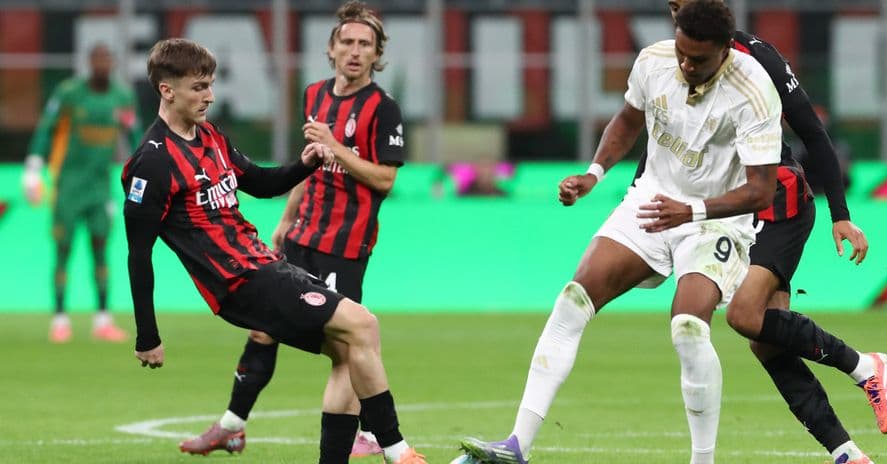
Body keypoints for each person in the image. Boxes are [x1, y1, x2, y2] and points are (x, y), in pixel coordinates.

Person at [461, 2, 782, 463]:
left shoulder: (752, 90)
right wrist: (594, 175)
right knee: (574, 298)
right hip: (653, 200)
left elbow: (761, 191)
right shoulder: (654, 61)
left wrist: (688, 211)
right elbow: (629, 120)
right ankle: (517, 445)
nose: (687, 65)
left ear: (724, 52)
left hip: (715, 219)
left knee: (688, 328)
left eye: (699, 60)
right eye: (682, 54)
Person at [123, 37, 427, 464]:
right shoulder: (152, 163)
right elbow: (139, 254)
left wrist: (305, 165)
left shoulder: (209, 136)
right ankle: (397, 452)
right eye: (197, 87)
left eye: (210, 85)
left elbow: (261, 183)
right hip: (239, 280)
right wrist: (147, 335)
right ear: (166, 90)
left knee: (351, 353)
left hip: (265, 264)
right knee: (362, 325)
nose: (208, 95)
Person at [662, 2, 887, 463]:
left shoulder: (756, 57)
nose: (674, 10)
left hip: (778, 201)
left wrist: (841, 214)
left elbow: (813, 132)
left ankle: (865, 366)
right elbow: (663, 134)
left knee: (743, 316)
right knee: (766, 342)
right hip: (730, 209)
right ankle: (846, 453)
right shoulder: (675, 61)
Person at [23, 43, 142, 343]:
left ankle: (103, 320)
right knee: (63, 250)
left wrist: (144, 174)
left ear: (112, 63)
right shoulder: (69, 93)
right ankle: (60, 319)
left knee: (100, 249)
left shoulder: (122, 97)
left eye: (107, 59)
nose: (102, 64)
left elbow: (136, 137)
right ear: (90, 63)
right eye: (97, 59)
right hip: (68, 185)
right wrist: (34, 168)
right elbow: (46, 128)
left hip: (100, 187)